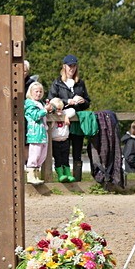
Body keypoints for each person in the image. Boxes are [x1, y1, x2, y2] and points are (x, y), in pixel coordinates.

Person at [49, 54, 91, 182]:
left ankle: (77, 179)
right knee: (61, 150)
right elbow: (51, 100)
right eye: (70, 66)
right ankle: (61, 176)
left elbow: (88, 103)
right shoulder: (57, 83)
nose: (72, 68)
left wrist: (83, 100)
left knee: (77, 151)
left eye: (74, 66)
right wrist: (67, 101)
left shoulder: (80, 83)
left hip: (76, 121)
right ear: (64, 67)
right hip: (61, 122)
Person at [23, 82, 48, 185]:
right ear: (31, 92)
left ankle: (36, 175)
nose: (38, 93)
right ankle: (30, 176)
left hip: (43, 132)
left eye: (40, 91)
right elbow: (35, 116)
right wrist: (46, 110)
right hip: (35, 133)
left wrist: (51, 108)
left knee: (42, 155)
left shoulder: (41, 103)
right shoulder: (29, 103)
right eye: (36, 91)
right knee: (34, 154)